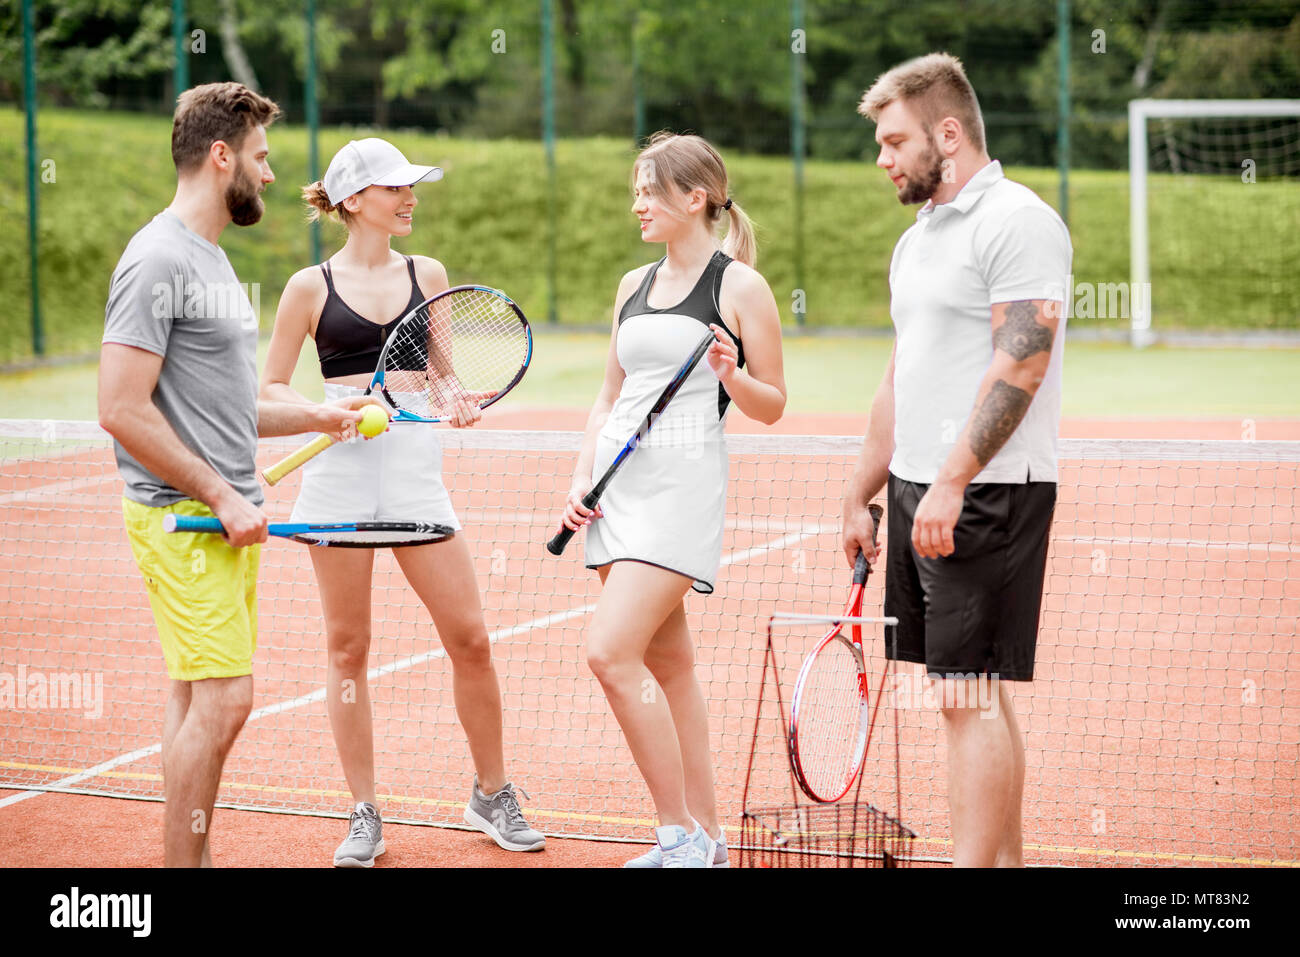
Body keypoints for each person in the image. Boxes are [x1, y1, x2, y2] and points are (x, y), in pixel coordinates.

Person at [99, 82, 375, 867]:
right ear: (221, 156)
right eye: (261, 157)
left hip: (223, 518)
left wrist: (324, 415)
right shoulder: (157, 258)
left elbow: (227, 411)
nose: (272, 174)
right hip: (185, 519)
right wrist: (218, 491)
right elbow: (120, 407)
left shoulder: (211, 260)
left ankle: (192, 859)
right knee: (227, 697)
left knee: (194, 694)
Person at [259, 137, 544, 867]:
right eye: (396, 188)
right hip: (338, 482)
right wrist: (330, 412)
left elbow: (443, 378)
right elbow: (271, 391)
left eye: (412, 187)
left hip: (416, 480)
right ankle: (364, 811)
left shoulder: (430, 274)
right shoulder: (308, 287)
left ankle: (492, 791)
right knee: (348, 649)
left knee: (471, 638)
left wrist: (458, 401)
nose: (410, 197)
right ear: (355, 200)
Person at [841, 53, 1072, 867]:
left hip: (986, 492)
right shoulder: (919, 239)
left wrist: (950, 481)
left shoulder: (1019, 220)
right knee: (972, 695)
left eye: (894, 139)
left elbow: (1022, 362)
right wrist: (860, 493)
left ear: (948, 132)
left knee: (961, 697)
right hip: (919, 490)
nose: (882, 157)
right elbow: (902, 373)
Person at [559, 132, 786, 868]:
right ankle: (709, 841)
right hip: (614, 490)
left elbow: (773, 403)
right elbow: (607, 396)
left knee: (608, 652)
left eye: (649, 191)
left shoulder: (740, 287)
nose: (637, 204)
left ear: (696, 198)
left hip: (682, 490)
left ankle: (675, 832)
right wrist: (579, 477)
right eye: (635, 190)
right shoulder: (632, 285)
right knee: (671, 669)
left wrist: (731, 372)